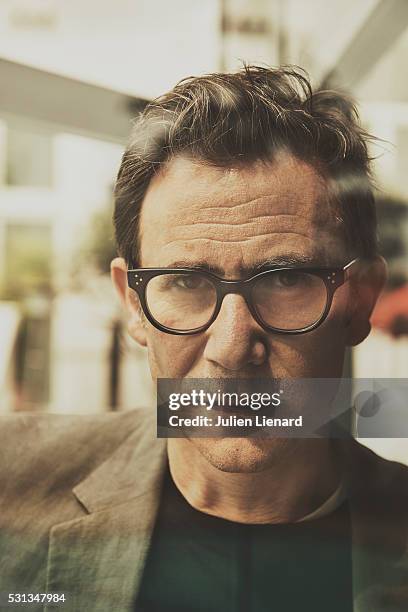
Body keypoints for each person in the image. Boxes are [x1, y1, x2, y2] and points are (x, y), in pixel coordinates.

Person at [1, 66, 407, 612]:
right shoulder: (13, 483)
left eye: (285, 279)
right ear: (134, 304)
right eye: (187, 282)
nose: (233, 344)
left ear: (359, 300)